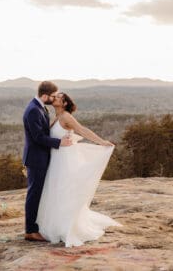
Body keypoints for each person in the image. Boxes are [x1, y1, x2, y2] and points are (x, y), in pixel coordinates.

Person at [36, 92, 122, 247]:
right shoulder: (56, 116)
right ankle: (56, 224)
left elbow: (82, 130)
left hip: (65, 160)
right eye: (54, 96)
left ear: (64, 103)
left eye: (58, 97)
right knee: (56, 191)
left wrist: (101, 141)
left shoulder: (66, 117)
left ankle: (67, 226)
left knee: (65, 191)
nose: (54, 97)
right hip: (57, 159)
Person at [22, 81, 72, 242]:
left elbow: (46, 130)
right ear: (45, 96)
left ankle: (35, 227)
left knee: (38, 193)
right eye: (52, 96)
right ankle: (30, 231)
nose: (54, 98)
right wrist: (59, 143)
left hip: (41, 157)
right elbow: (38, 137)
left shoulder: (40, 107)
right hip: (36, 158)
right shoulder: (33, 111)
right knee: (34, 194)